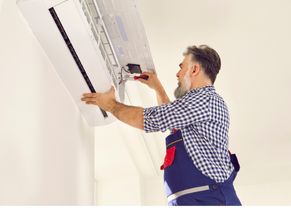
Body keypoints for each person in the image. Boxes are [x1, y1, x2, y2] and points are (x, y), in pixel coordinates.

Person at [81, 45, 241, 206]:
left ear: (194, 70)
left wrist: (111, 105)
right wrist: (158, 89)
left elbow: (154, 119)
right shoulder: (197, 106)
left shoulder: (205, 99)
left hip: (210, 200)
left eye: (181, 67)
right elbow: (172, 121)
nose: (177, 74)